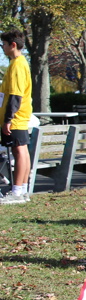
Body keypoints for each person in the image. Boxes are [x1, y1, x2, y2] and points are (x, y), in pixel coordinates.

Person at [0, 29, 33, 203]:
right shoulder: (18, 63)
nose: (2, 48)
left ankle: (17, 192)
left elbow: (15, 95)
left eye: (4, 44)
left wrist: (8, 119)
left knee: (18, 150)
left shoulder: (18, 65)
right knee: (22, 150)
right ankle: (23, 189)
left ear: (13, 45)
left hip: (16, 117)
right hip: (20, 116)